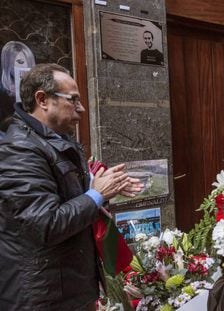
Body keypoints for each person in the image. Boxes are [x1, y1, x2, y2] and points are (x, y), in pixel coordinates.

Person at [0, 63, 142, 310]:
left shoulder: (58, 141)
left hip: (69, 288)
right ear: (42, 99)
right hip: (43, 296)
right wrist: (97, 194)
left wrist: (105, 187)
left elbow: (73, 198)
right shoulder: (19, 150)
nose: (82, 109)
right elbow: (46, 223)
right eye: (73, 100)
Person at [0, 41, 36, 133]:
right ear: (8, 63)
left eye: (28, 62)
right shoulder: (3, 92)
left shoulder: (36, 89)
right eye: (20, 62)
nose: (24, 66)